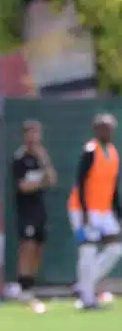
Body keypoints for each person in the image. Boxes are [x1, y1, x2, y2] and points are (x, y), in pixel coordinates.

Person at [68, 113, 122, 310]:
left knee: (116, 249)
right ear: (96, 130)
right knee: (88, 251)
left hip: (105, 211)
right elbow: (80, 183)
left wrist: (118, 214)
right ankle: (87, 299)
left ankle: (84, 284)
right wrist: (83, 213)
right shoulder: (90, 151)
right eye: (104, 128)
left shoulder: (113, 153)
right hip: (84, 209)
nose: (108, 132)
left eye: (110, 128)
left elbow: (114, 188)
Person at [11, 120, 56, 313]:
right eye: (30, 134)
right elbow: (23, 186)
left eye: (36, 134)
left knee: (39, 246)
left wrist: (44, 161)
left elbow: (52, 180)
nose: (33, 138)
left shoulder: (41, 157)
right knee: (27, 246)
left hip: (40, 208)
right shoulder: (20, 158)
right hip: (26, 209)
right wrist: (40, 183)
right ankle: (23, 286)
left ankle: (31, 284)